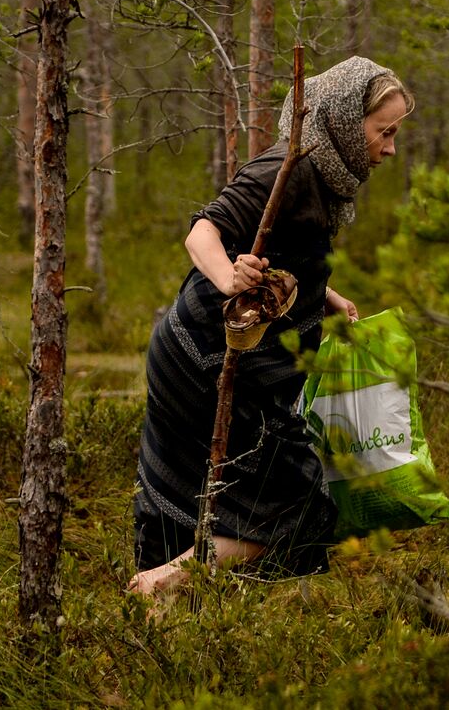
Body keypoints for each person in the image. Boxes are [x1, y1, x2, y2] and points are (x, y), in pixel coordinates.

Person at [127, 56, 413, 598]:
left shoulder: (323, 175)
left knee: (215, 490)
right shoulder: (287, 167)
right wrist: (230, 278)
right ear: (347, 121)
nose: (391, 148)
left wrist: (322, 294)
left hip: (219, 357)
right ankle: (164, 583)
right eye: (385, 132)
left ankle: (172, 610)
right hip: (212, 361)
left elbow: (281, 252)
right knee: (302, 506)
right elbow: (203, 235)